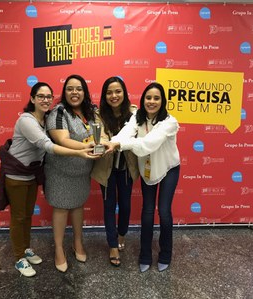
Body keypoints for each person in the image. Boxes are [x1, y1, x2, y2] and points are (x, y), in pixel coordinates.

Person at [0, 82, 95, 277]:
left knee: (27, 215)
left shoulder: (44, 118)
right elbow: (46, 145)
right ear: (32, 99)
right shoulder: (26, 120)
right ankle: (19, 258)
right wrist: (82, 151)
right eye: (41, 96)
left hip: (31, 174)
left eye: (48, 96)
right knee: (19, 217)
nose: (45, 100)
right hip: (17, 176)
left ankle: (26, 249)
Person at [109, 82, 180, 273]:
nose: (152, 101)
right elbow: (126, 132)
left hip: (168, 169)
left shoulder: (170, 122)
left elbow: (148, 144)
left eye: (156, 98)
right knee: (147, 212)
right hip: (148, 170)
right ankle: (145, 255)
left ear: (163, 101)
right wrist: (113, 142)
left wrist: (120, 145)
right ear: (143, 100)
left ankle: (165, 254)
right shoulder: (137, 117)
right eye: (148, 97)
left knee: (164, 212)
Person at [44, 74, 98, 272]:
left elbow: (104, 129)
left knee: (77, 205)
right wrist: (88, 147)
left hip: (82, 172)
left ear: (85, 92)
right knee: (61, 207)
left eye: (79, 89)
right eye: (70, 89)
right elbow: (62, 139)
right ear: (64, 92)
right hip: (61, 172)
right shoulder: (58, 112)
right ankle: (59, 249)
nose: (74, 93)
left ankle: (78, 242)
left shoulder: (91, 111)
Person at [91, 77, 139, 267]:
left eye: (118, 91)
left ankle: (121, 234)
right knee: (109, 206)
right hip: (106, 168)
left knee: (126, 205)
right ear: (104, 96)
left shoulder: (134, 113)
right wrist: (103, 141)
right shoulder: (98, 114)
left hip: (126, 167)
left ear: (124, 93)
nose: (114, 96)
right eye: (109, 92)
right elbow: (99, 134)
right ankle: (112, 244)